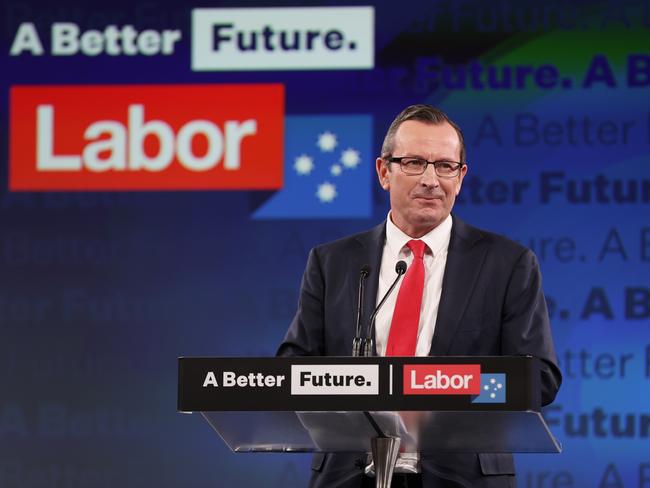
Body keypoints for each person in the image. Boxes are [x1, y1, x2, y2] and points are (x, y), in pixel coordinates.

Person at [277, 104, 562, 488]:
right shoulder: (333, 262)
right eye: (413, 162)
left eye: (445, 166)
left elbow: (537, 379)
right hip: (349, 475)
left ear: (460, 178)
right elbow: (294, 368)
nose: (431, 179)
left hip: (463, 477)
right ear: (384, 172)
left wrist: (448, 387)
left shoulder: (508, 264)